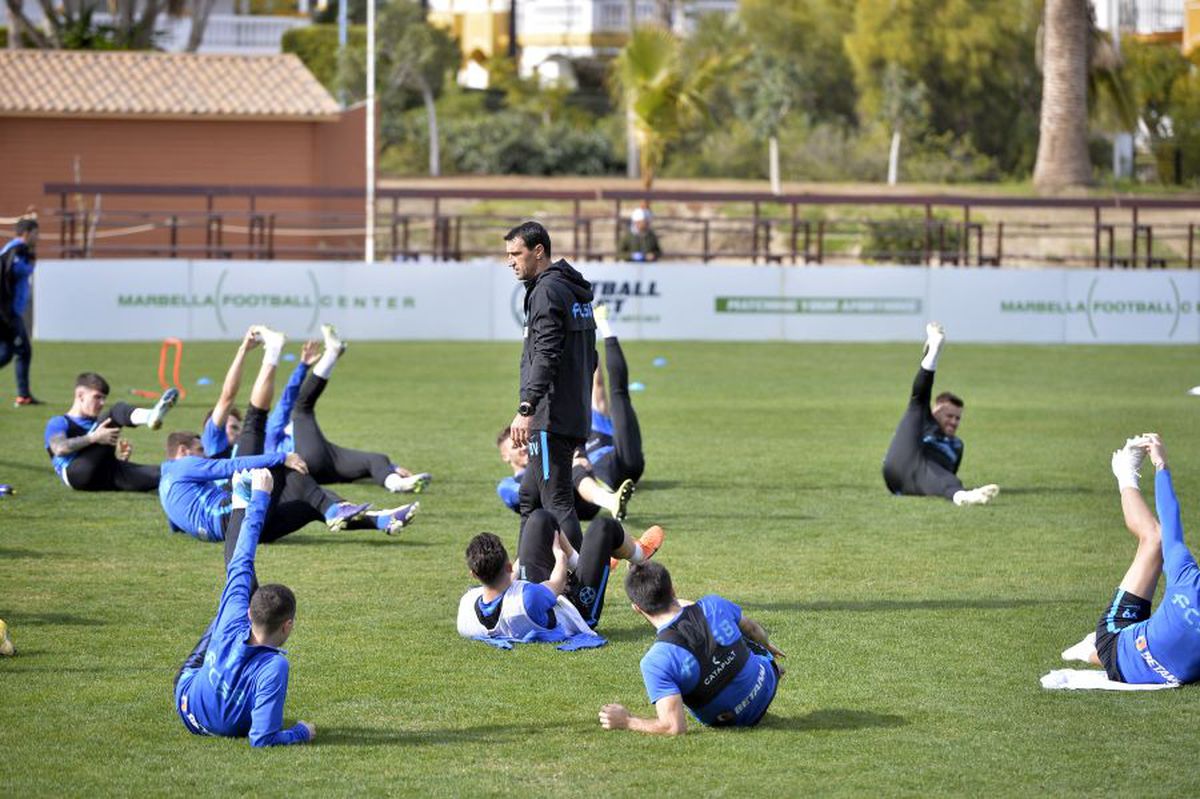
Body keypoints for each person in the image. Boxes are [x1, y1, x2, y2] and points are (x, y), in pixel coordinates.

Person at [173, 468, 315, 747]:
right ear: (288, 625)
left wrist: (258, 498)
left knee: (229, 600)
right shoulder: (275, 666)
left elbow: (242, 559)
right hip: (210, 721)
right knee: (230, 603)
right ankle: (239, 498)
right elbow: (262, 739)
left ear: (250, 613)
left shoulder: (235, 616)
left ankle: (239, 498)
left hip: (185, 701)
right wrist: (302, 732)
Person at [1061, 434, 1200, 686]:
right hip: (1125, 643)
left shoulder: (1187, 579)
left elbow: (1172, 519)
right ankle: (1125, 473)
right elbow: (1169, 519)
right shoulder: (1187, 580)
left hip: (1120, 648)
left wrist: (1161, 464)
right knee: (1156, 539)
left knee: (1158, 538)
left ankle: (1088, 650)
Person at [598, 561, 784, 735]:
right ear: (673, 589)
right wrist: (766, 646)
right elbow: (752, 629)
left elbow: (674, 727)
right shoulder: (714, 604)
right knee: (739, 630)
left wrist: (627, 721)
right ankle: (768, 668)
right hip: (766, 683)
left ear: (637, 608)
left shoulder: (655, 661)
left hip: (729, 719)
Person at [495, 303, 644, 521]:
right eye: (517, 445)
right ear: (504, 455)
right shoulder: (507, 485)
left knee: (619, 396)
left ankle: (604, 325)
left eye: (523, 441)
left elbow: (597, 385)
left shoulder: (576, 423)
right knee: (571, 470)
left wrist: (584, 350)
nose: (524, 447)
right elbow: (529, 496)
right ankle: (609, 501)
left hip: (611, 472)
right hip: (574, 499)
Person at [505, 221, 597, 550]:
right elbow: (592, 356)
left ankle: (585, 586)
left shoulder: (546, 291)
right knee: (529, 499)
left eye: (516, 253)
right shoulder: (573, 289)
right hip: (572, 412)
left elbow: (546, 354)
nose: (511, 261)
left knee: (557, 503)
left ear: (538, 251)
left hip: (549, 416)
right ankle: (523, 576)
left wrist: (527, 406)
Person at [457, 509, 665, 645]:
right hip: (577, 610)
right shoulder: (528, 597)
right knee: (603, 527)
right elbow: (559, 582)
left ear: (474, 574)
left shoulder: (467, 606)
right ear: (508, 566)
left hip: (538, 601)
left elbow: (502, 593)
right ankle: (638, 556)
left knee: (540, 519)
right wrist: (560, 556)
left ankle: (591, 564)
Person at [264, 325, 430, 493]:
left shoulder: (284, 430)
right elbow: (287, 400)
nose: (236, 429)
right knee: (301, 407)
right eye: (235, 427)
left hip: (326, 464)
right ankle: (332, 353)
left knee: (376, 459)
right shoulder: (268, 430)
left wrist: (390, 467)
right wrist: (302, 367)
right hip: (302, 462)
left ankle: (396, 483)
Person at [881, 322, 999, 506]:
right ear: (936, 412)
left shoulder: (957, 446)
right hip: (899, 466)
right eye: (949, 416)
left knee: (947, 479)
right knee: (917, 403)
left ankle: (963, 497)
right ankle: (934, 351)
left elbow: (945, 473)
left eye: (958, 418)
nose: (954, 422)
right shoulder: (926, 422)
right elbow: (922, 393)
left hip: (918, 481)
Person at [43, 372, 177, 491]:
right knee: (115, 411)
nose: (102, 403)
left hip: (107, 471)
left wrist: (121, 458)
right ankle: (150, 416)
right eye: (97, 397)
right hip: (76, 475)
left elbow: (96, 455)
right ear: (80, 395)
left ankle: (191, 473)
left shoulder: (98, 423)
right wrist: (93, 438)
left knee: (164, 473)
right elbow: (59, 448)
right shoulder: (59, 421)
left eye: (104, 398)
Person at [0, 215, 40, 406]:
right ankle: (23, 396)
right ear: (26, 233)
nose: (37, 237)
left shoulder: (16, 249)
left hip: (9, 312)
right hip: (8, 313)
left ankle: (24, 395)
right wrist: (31, 263)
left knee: (9, 352)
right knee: (23, 351)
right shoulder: (16, 249)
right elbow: (16, 271)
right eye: (35, 233)